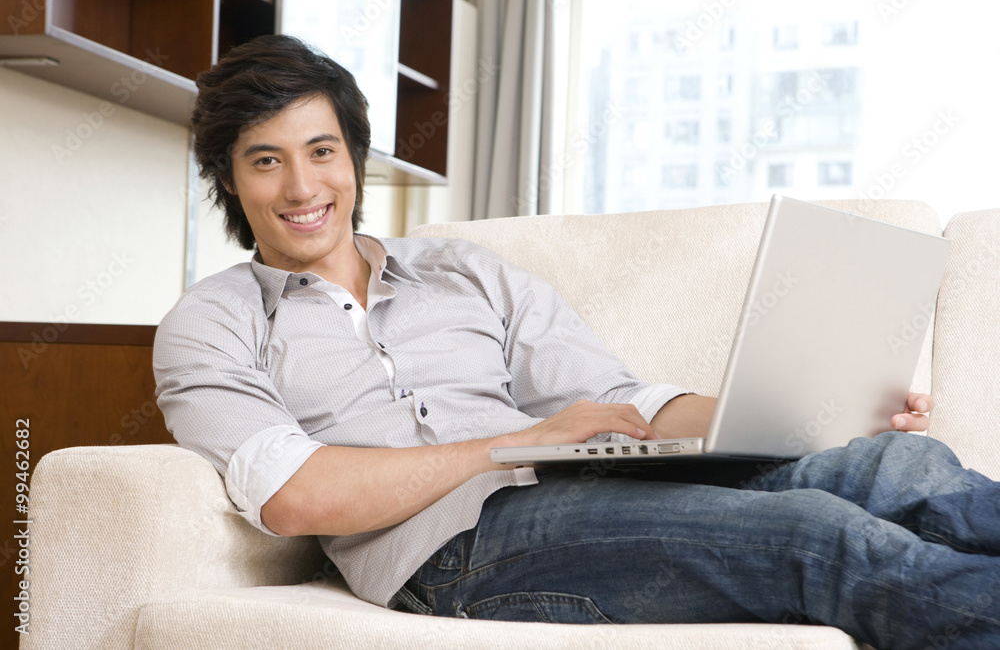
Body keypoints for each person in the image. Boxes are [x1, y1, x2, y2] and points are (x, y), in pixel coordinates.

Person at [153, 34, 1000, 649]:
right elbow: (294, 495)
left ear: (355, 159)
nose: (302, 186)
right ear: (228, 176)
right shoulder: (211, 322)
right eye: (265, 161)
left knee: (888, 469)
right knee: (818, 535)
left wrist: (814, 411)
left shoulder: (462, 271)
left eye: (321, 151)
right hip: (454, 551)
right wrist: (511, 445)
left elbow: (621, 402)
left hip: (587, 479)